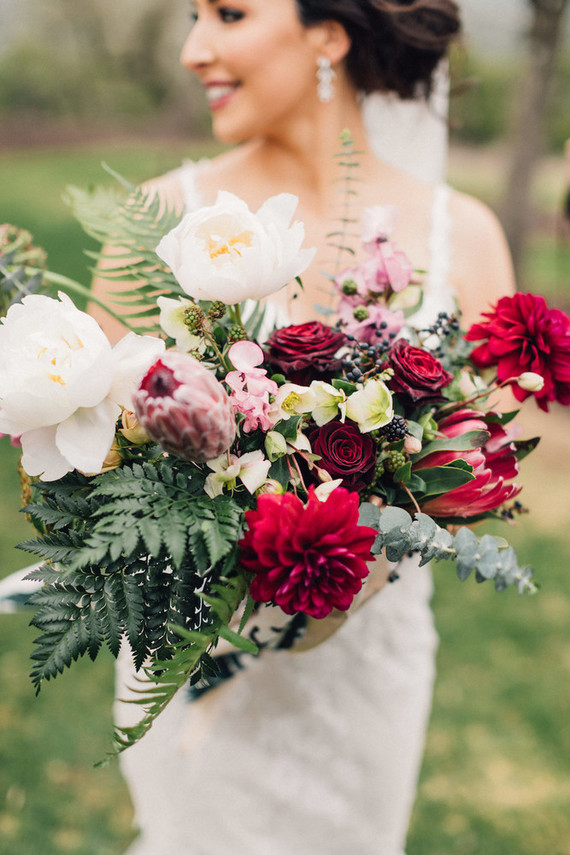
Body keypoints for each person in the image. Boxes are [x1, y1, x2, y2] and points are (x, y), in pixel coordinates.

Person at [90, 2, 516, 853]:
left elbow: (481, 472)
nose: (191, 49)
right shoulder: (160, 216)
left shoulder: (461, 235)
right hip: (191, 658)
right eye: (193, 15)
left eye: (230, 13)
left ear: (329, 33)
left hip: (368, 668)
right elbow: (97, 474)